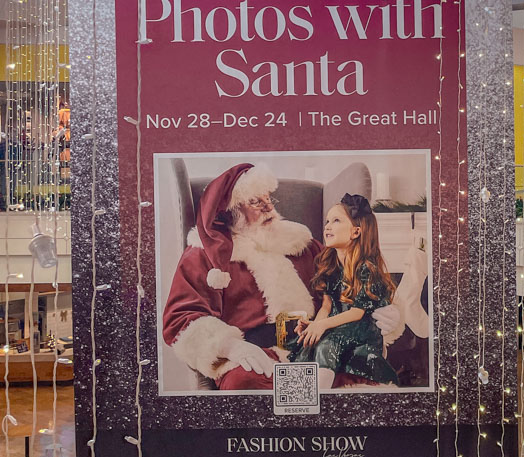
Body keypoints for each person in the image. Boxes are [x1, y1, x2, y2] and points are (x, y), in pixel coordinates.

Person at [162, 163, 402, 390]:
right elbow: (181, 319)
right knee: (244, 383)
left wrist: (381, 310)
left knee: (369, 377)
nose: (269, 208)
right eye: (256, 202)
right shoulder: (204, 255)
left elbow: (349, 285)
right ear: (229, 211)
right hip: (257, 356)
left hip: (318, 350)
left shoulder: (304, 244)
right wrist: (230, 346)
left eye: (269, 199)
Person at [289, 194, 400, 387]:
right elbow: (327, 306)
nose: (327, 226)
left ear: (355, 232)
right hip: (338, 327)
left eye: (336, 221)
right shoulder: (330, 266)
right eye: (327, 221)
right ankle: (300, 394)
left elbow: (357, 313)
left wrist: (323, 326)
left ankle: (320, 395)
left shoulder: (366, 268)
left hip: (362, 331)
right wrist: (315, 326)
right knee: (306, 343)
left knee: (327, 344)